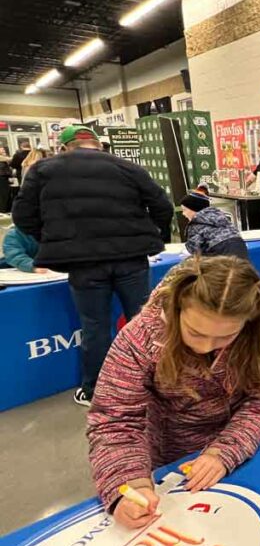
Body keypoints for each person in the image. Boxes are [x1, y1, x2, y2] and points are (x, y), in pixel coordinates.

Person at [87, 256, 260, 528]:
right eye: (195, 332)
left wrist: (225, 450)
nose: (206, 347)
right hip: (173, 456)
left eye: (225, 337)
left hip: (246, 446)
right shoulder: (140, 337)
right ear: (178, 307)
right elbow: (114, 421)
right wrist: (131, 484)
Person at [13, 125, 173, 406]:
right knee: (144, 322)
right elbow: (163, 206)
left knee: (94, 327)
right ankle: (154, 384)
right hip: (131, 258)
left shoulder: (43, 171)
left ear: (65, 147)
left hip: (82, 264)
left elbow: (23, 217)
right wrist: (155, 236)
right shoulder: (127, 167)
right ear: (98, 144)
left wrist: (55, 241)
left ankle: (95, 391)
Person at [180, 190, 249, 260]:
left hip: (220, 253)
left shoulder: (196, 223)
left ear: (193, 208)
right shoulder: (220, 216)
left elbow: (193, 248)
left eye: (184, 210)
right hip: (240, 246)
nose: (183, 213)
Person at [0, 147, 11, 213]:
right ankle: (3, 210)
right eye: (2, 150)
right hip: (1, 177)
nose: (4, 150)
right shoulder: (1, 157)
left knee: (6, 193)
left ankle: (5, 209)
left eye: (4, 149)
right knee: (3, 194)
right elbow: (10, 159)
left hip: (4, 177)